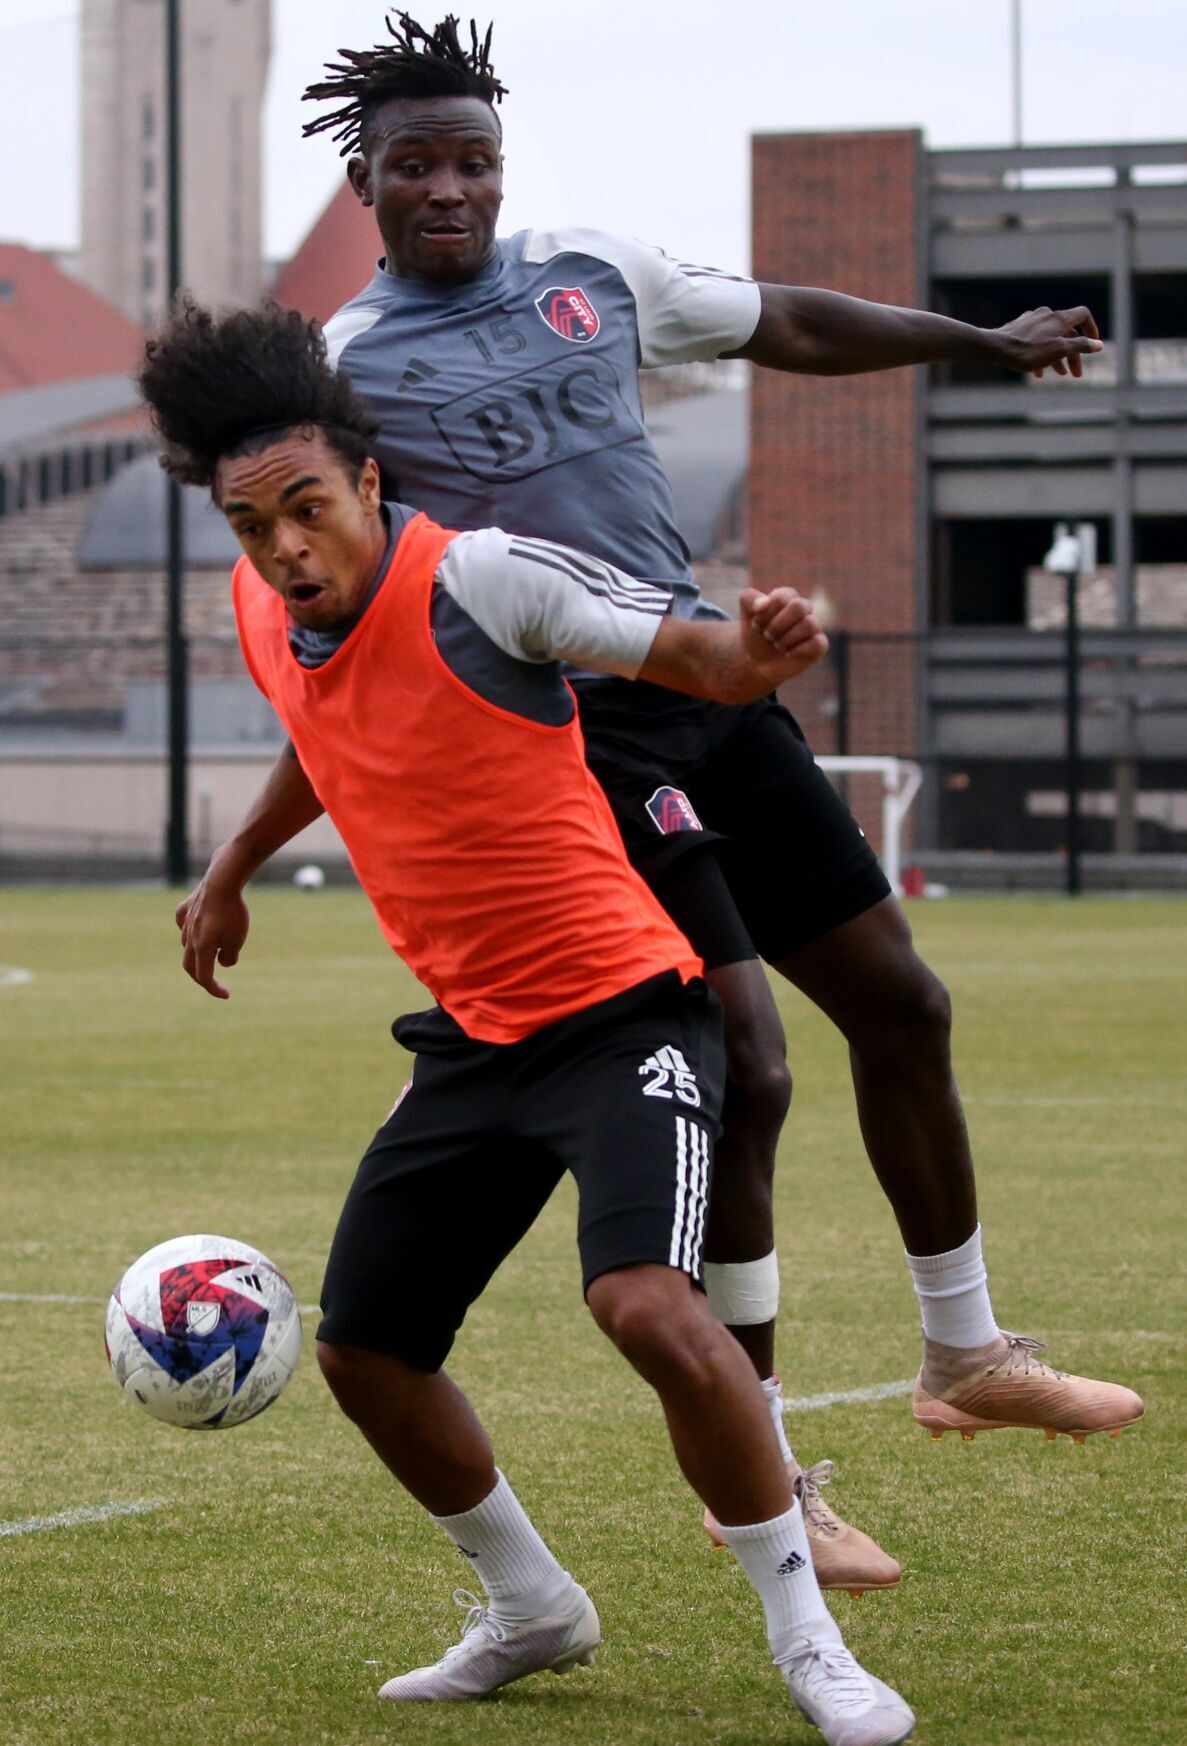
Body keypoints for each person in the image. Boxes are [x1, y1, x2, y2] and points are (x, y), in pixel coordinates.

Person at [141, 298, 913, 1745]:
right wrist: (234, 864)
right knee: (366, 1346)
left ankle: (809, 1640)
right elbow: (325, 734)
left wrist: (758, 650)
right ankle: (534, 1606)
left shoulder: (483, 580)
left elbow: (689, 657)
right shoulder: (265, 607)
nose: (287, 549)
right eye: (255, 527)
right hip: (475, 1034)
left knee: (639, 1302)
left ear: (369, 482)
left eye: (309, 509)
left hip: (626, 1013)